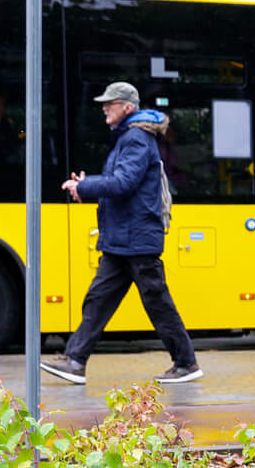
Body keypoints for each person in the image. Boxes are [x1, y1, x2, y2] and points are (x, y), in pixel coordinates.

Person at [42, 81, 201, 385]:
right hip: (122, 239)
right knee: (98, 299)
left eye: (110, 103)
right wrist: (89, 185)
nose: (104, 107)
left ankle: (186, 364)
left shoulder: (136, 139)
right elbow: (121, 181)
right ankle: (75, 361)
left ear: (127, 107)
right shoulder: (127, 138)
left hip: (137, 238)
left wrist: (84, 187)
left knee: (157, 302)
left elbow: (124, 183)